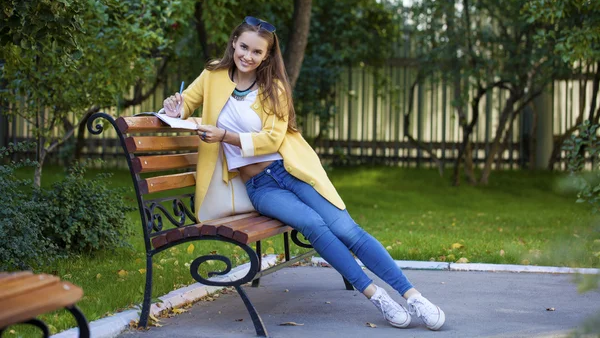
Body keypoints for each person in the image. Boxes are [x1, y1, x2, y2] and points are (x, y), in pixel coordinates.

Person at [163, 16, 446, 331]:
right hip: (260, 187)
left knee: (347, 230)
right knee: (313, 225)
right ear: (234, 43)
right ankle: (376, 295)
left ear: (267, 56)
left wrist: (224, 136)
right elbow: (184, 105)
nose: (248, 56)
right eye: (244, 47)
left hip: (291, 170)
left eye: (257, 52)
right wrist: (175, 106)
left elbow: (271, 139)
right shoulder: (213, 75)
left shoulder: (275, 88)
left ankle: (413, 295)